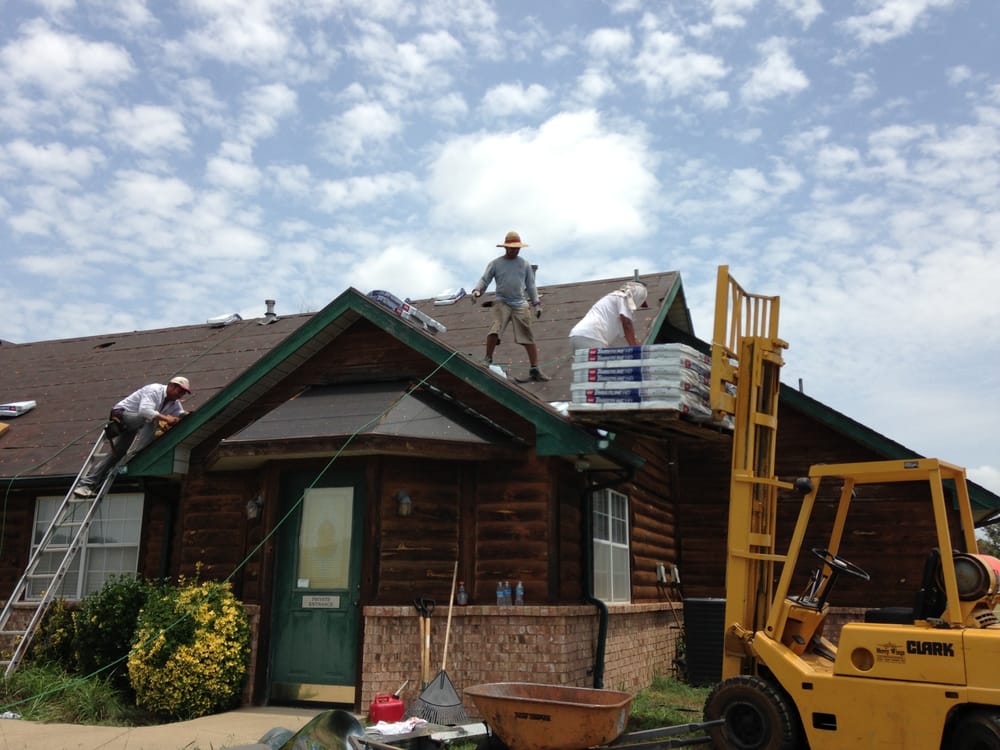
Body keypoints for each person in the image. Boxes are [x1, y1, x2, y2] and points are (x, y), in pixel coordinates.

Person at [73, 376, 191, 498]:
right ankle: (138, 454)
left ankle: (86, 484)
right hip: (123, 416)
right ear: (171, 386)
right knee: (150, 418)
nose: (181, 395)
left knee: (117, 454)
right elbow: (145, 410)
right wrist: (166, 418)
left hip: (134, 426)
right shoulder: (154, 390)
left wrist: (185, 416)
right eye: (180, 391)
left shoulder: (174, 402)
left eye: (183, 393)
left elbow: (179, 413)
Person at [471, 230, 549, 382]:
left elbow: (531, 285)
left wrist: (536, 304)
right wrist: (477, 291)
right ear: (506, 248)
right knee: (496, 327)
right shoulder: (496, 263)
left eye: (517, 248)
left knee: (527, 335)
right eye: (512, 248)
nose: (515, 251)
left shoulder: (524, 264)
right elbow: (484, 279)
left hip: (520, 303)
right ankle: (487, 358)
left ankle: (535, 369)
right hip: (502, 301)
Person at [569, 280, 648, 353]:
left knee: (587, 367)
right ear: (637, 296)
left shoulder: (614, 300)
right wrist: (638, 352)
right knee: (597, 367)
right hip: (591, 337)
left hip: (578, 336)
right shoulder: (622, 298)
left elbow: (629, 335)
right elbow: (627, 325)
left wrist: (639, 347)